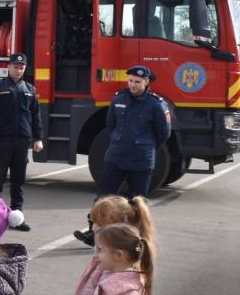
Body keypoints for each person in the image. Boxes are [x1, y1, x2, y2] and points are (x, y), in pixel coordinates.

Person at [73, 65, 171, 246]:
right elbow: (110, 125)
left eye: (138, 82)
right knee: (103, 197)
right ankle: (93, 233)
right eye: (131, 81)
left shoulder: (156, 104)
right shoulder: (118, 99)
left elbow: (164, 133)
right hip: (116, 157)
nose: (133, 85)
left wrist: (146, 146)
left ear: (147, 82)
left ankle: (137, 238)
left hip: (141, 160)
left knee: (137, 202)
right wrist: (119, 141)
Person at [0, 53, 43, 230]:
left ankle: (17, 218)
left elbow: (35, 116)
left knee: (18, 182)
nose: (18, 70)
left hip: (21, 142)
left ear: (24, 69)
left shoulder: (30, 89)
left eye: (21, 67)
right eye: (15, 67)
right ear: (8, 67)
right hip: (2, 141)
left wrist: (38, 138)